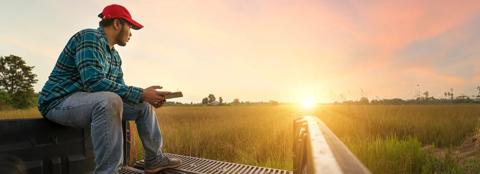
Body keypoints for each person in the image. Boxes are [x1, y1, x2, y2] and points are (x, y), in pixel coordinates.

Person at [38, 4, 181, 174]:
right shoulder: (89, 37)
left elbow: (119, 91)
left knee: (143, 105)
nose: (131, 33)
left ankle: (154, 159)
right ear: (117, 24)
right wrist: (141, 92)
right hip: (58, 102)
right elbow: (93, 82)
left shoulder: (115, 57)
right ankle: (108, 172)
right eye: (130, 27)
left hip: (86, 102)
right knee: (110, 100)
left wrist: (145, 97)